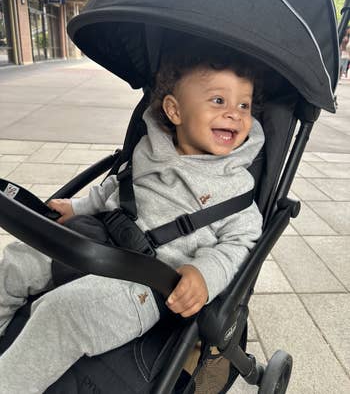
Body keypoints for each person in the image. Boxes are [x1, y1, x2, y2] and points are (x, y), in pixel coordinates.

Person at [0, 36, 265, 393]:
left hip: (146, 282)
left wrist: (203, 274)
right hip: (98, 237)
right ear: (174, 111)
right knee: (17, 261)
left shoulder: (235, 187)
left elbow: (239, 243)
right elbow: (117, 186)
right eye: (219, 100)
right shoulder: (149, 146)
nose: (235, 113)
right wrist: (77, 207)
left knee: (61, 313)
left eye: (245, 105)